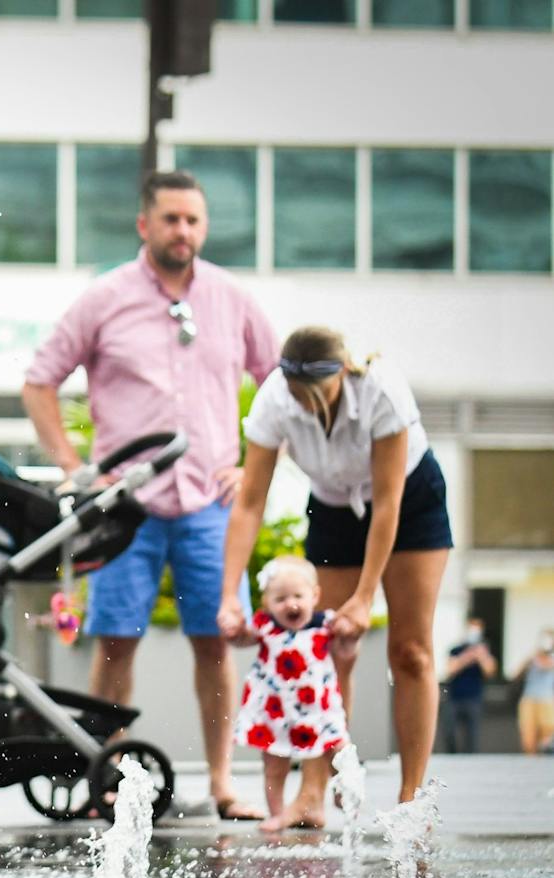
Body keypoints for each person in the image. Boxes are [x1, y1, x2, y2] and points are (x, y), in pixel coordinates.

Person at [23, 169, 277, 822]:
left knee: (215, 644)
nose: (183, 231)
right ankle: (105, 779)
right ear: (145, 224)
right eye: (171, 219)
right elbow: (39, 379)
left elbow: (276, 383)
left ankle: (223, 783)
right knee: (114, 641)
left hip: (211, 503)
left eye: (194, 219)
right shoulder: (103, 298)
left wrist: (253, 467)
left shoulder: (232, 298)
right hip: (126, 507)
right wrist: (76, 468)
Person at [219, 324, 452, 829]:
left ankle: (411, 800)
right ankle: (313, 794)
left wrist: (366, 596)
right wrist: (229, 595)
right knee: (325, 651)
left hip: (409, 503)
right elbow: (249, 504)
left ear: (343, 372)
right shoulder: (274, 400)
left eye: (314, 395)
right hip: (332, 505)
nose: (302, 405)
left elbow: (387, 505)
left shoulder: (381, 390)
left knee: (410, 651)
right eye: (295, 394)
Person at [227, 556, 354, 829]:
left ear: (315, 595)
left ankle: (342, 790)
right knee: (274, 766)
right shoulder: (264, 625)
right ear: (267, 603)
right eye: (281, 598)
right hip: (276, 711)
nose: (291, 604)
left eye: (298, 595)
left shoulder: (326, 625)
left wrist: (350, 634)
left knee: (338, 750)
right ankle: (277, 814)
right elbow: (241, 640)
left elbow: (347, 650)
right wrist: (233, 633)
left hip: (318, 709)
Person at [442, 616, 496, 754]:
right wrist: (468, 656)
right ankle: (451, 756)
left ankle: (471, 759)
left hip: (474, 698)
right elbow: (450, 670)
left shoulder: (484, 650)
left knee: (472, 734)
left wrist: (481, 656)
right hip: (454, 697)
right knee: (449, 731)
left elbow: (490, 671)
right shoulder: (456, 649)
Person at [513, 631, 554, 755]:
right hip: (529, 699)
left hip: (546, 700)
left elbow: (546, 666)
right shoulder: (532, 657)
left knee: (546, 735)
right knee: (528, 737)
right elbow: (516, 674)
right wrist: (530, 658)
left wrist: (541, 657)